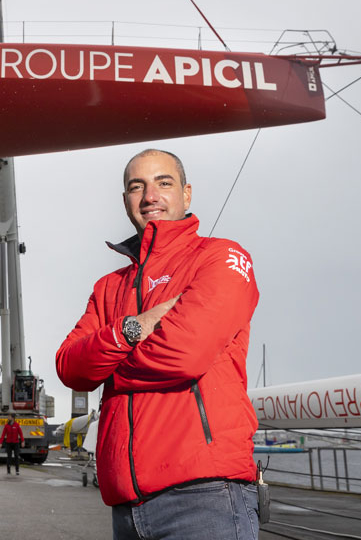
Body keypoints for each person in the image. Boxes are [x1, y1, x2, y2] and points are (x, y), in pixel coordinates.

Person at [56, 149, 261, 540]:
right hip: (127, 505)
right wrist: (133, 328)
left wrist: (110, 371)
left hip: (204, 496)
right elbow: (70, 367)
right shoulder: (109, 287)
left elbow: (183, 355)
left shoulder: (222, 258)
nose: (150, 196)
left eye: (163, 183)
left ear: (186, 194)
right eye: (138, 186)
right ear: (126, 201)